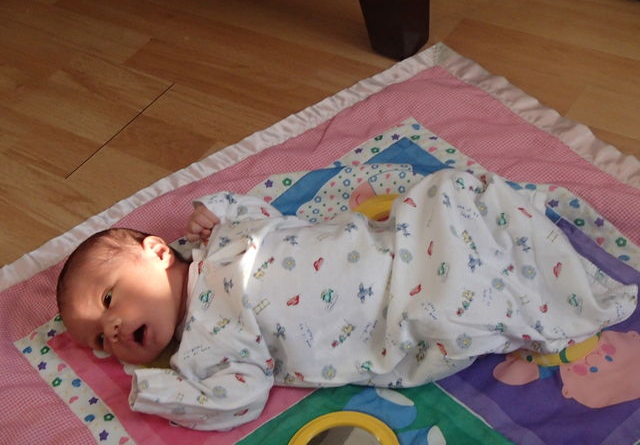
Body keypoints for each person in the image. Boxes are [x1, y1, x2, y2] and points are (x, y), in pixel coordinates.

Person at [57, 169, 638, 431]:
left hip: (394, 246)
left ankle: (520, 249)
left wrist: (217, 209)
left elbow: (267, 217)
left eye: (107, 299)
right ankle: (536, 290)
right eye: (99, 340)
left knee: (446, 192)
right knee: (455, 308)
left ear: (159, 252)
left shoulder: (222, 241)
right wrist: (156, 391)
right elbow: (241, 398)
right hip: (389, 317)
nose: (112, 332)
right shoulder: (200, 352)